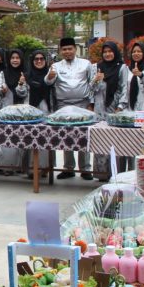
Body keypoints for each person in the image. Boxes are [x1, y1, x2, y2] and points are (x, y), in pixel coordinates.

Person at [45, 37, 96, 180]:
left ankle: (85, 169)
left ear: (75, 49)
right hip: (63, 105)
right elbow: (48, 82)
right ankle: (68, 168)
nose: (67, 51)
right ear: (60, 51)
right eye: (64, 49)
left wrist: (91, 104)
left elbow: (92, 84)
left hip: (82, 104)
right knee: (66, 135)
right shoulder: (56, 66)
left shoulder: (86, 64)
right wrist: (50, 76)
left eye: (70, 49)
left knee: (83, 136)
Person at [92, 41, 129, 179]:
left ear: (115, 52)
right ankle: (101, 173)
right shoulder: (97, 67)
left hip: (115, 107)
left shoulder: (122, 67)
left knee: (115, 140)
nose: (107, 54)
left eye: (110, 51)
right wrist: (96, 80)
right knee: (100, 139)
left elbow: (124, 87)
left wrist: (121, 106)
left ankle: (116, 174)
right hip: (99, 108)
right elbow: (91, 89)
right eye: (105, 52)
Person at [0, 49, 28, 174]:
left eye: (17, 58)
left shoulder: (25, 72)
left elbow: (24, 93)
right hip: (7, 109)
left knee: (22, 137)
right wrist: (3, 90)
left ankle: (21, 166)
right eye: (12, 58)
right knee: (8, 137)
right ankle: (8, 166)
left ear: (21, 59)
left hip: (22, 109)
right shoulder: (3, 73)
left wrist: (20, 84)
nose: (15, 60)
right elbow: (0, 89)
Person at [25, 50, 53, 176]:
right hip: (31, 109)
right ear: (32, 61)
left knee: (46, 137)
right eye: (36, 59)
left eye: (42, 58)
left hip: (47, 108)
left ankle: (45, 168)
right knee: (31, 137)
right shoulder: (27, 75)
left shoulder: (50, 74)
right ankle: (32, 168)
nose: (39, 61)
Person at [126, 42, 144, 111]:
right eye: (134, 52)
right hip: (129, 109)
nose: (136, 53)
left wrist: (141, 75)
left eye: (139, 51)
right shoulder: (127, 69)